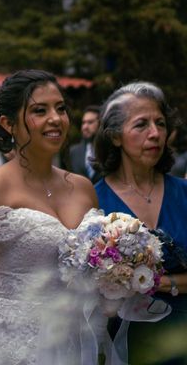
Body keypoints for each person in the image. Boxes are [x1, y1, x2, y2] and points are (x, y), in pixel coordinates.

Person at [0, 69, 98, 364]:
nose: (56, 118)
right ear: (8, 124)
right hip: (12, 343)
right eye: (39, 110)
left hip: (75, 337)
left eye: (60, 108)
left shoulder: (83, 189)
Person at [93, 82, 187, 363]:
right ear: (115, 136)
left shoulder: (184, 194)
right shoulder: (92, 202)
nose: (155, 134)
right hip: (120, 342)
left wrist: (156, 282)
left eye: (160, 123)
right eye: (141, 125)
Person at [68, 105, 101, 183]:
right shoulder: (74, 152)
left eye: (90, 122)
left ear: (100, 124)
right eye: (83, 123)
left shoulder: (110, 150)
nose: (85, 127)